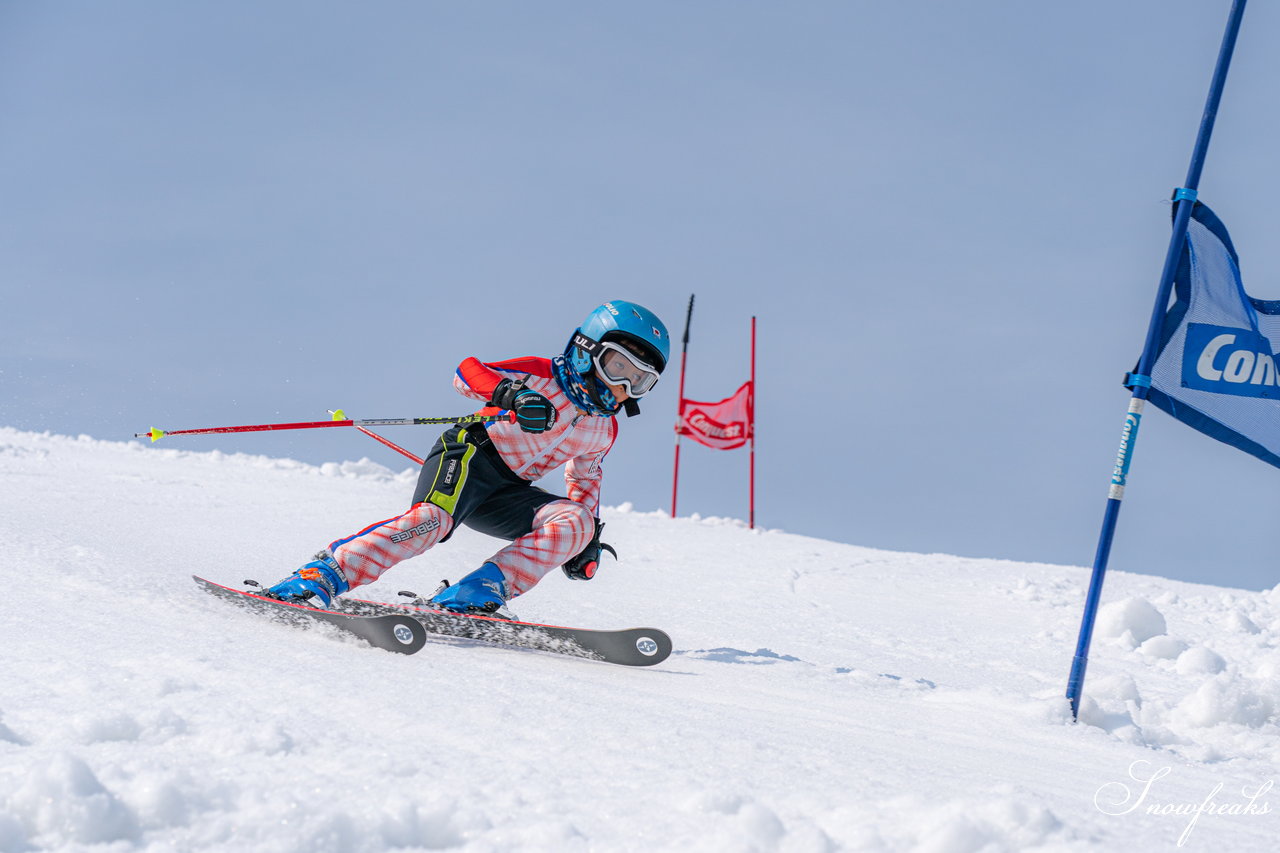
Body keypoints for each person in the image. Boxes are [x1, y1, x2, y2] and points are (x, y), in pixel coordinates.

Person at [263, 300, 670, 618]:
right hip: (470, 455)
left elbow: (586, 479)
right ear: (586, 350)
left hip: (508, 492)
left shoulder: (603, 429)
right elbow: (467, 371)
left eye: (639, 382)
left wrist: (585, 541)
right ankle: (322, 576)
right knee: (429, 524)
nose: (622, 387)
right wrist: (513, 394)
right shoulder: (540, 375)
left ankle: (476, 591)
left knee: (576, 522)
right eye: (617, 366)